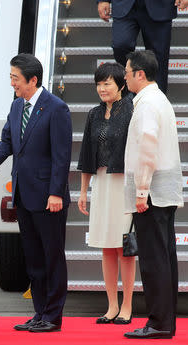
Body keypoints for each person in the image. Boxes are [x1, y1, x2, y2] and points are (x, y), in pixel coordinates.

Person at [0, 53, 72, 333]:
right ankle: (39, 312)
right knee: (33, 258)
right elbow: (7, 141)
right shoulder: (17, 106)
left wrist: (56, 192)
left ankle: (53, 316)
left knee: (51, 257)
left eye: (15, 78)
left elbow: (61, 155)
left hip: (48, 198)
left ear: (32, 79)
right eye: (10, 78)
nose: (12, 84)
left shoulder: (56, 108)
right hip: (23, 195)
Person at [122, 50, 183, 339]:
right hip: (164, 191)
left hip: (152, 193)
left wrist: (141, 191)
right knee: (165, 256)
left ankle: (158, 322)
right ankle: (165, 321)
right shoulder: (160, 100)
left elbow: (147, 149)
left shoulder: (147, 104)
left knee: (154, 259)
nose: (124, 76)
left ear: (140, 74)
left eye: (127, 71)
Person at [77, 63, 135, 324]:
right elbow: (86, 155)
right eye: (99, 84)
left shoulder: (132, 110)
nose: (102, 89)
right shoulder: (93, 114)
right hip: (100, 183)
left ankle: (127, 306)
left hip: (124, 183)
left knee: (124, 247)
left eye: (107, 83)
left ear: (121, 84)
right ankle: (111, 305)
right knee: (106, 247)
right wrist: (82, 191)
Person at [96, 0, 177, 94]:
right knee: (120, 44)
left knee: (158, 58)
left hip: (160, 6)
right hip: (124, 5)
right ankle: (129, 95)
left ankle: (156, 102)